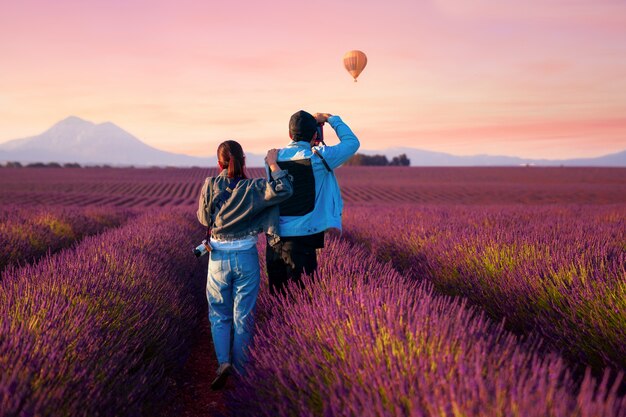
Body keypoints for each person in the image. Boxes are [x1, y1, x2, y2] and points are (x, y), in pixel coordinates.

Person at [196, 140, 293, 390]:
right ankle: (241, 372)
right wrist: (273, 164)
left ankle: (223, 363)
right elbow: (285, 189)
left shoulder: (210, 185)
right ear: (244, 161)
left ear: (218, 163)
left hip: (218, 258)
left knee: (219, 313)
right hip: (246, 258)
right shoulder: (255, 188)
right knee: (244, 316)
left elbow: (203, 218)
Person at [266, 110, 359, 295]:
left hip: (274, 241)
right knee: (302, 301)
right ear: (315, 135)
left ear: (290, 134)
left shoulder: (272, 159)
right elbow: (352, 143)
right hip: (303, 240)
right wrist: (331, 119)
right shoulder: (319, 158)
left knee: (278, 304)